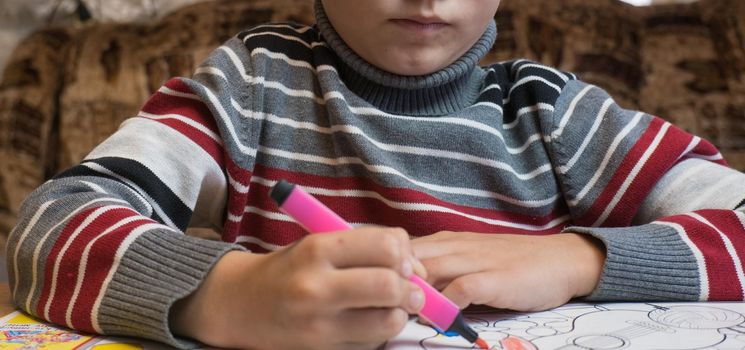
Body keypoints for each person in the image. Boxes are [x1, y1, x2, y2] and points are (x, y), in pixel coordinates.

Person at [7, 0, 745, 349]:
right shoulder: (251, 86)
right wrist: (228, 296)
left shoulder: (552, 113)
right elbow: (51, 226)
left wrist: (579, 258)